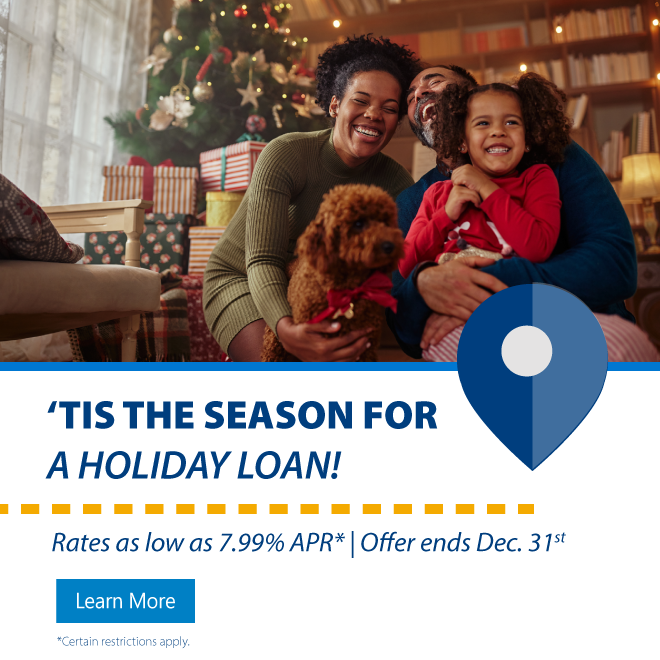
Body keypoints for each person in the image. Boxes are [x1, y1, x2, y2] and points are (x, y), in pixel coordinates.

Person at [389, 64, 638, 358]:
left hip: (578, 326)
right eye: (410, 97)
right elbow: (400, 316)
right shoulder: (416, 199)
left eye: (435, 82)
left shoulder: (552, 158)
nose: (420, 93)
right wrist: (423, 285)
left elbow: (614, 265)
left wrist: (488, 284)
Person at [203, 35, 421, 362]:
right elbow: (262, 260)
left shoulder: (398, 183)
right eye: (360, 101)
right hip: (242, 279)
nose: (374, 114)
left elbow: (396, 264)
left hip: (326, 288)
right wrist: (285, 328)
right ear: (335, 105)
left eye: (389, 109)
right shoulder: (287, 153)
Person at [399, 74, 570, 278]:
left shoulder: (537, 178)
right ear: (461, 141)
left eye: (511, 122)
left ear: (528, 139)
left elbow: (537, 249)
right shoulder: (437, 194)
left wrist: (486, 188)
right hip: (453, 301)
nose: (498, 131)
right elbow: (405, 265)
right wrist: (445, 215)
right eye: (482, 123)